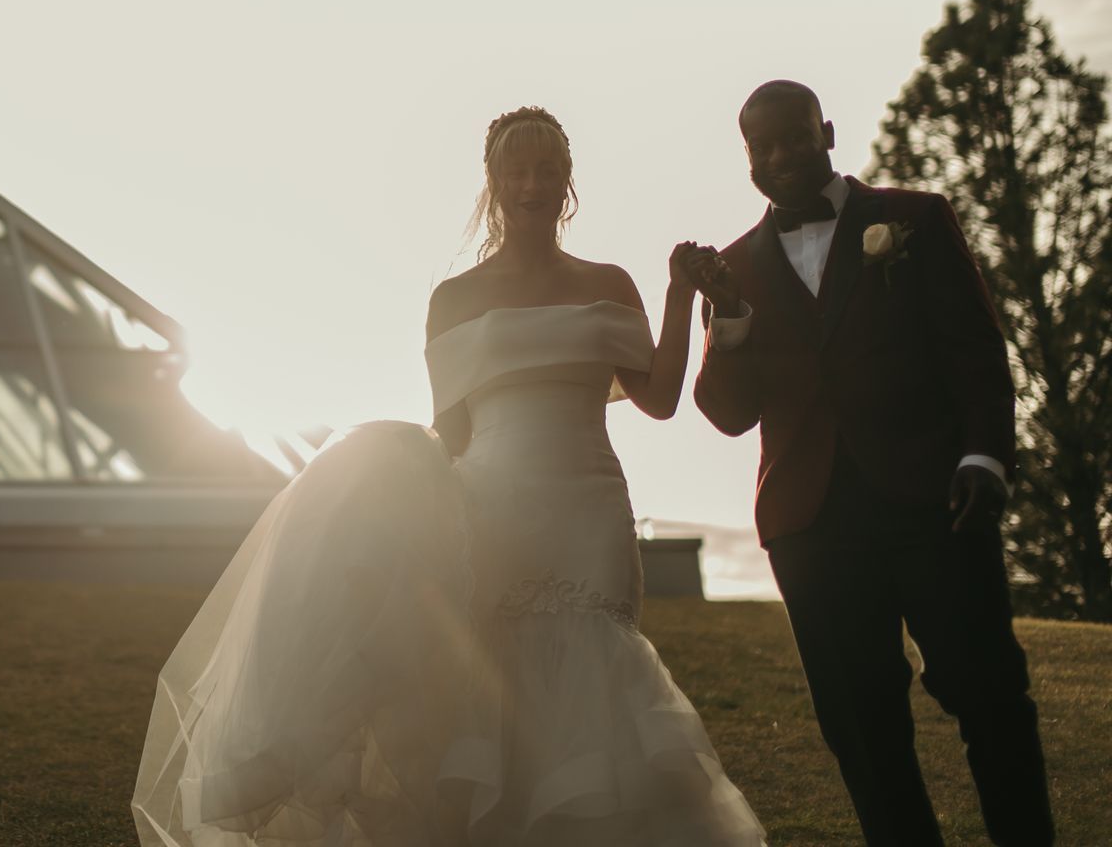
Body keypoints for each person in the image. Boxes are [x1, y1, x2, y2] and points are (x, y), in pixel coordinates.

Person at [132, 107, 764, 846]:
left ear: (568, 183)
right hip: (493, 509)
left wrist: (680, 295)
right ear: (494, 183)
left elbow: (657, 398)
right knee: (490, 679)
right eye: (516, 170)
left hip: (589, 509)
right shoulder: (455, 299)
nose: (533, 183)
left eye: (548, 169)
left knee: (597, 674)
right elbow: (454, 435)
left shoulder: (610, 283)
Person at [684, 79, 1054, 846]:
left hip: (936, 500)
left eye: (794, 136)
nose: (782, 155)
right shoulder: (730, 270)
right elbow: (725, 413)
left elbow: (976, 352)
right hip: (810, 530)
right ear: (748, 161)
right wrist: (729, 315)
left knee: (990, 697)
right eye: (764, 146)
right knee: (862, 729)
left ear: (826, 131)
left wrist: (985, 457)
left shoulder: (914, 219)